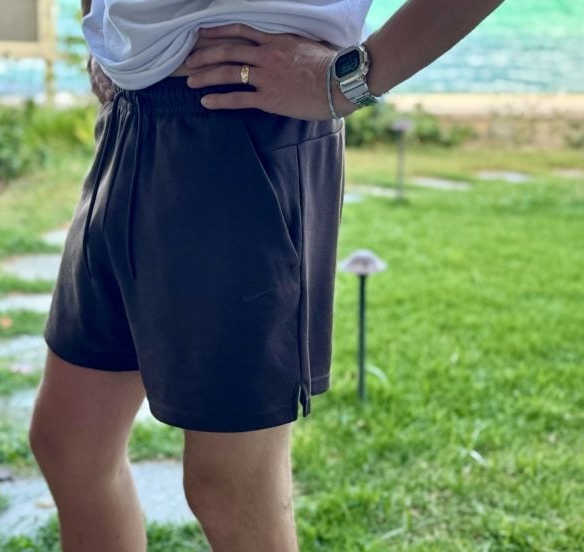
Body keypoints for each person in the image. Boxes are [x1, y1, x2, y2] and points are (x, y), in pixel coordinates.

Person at [29, 1, 504, 550]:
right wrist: (102, 33)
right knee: (69, 445)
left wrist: (353, 78)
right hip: (131, 120)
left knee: (231, 487)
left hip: (245, 119)